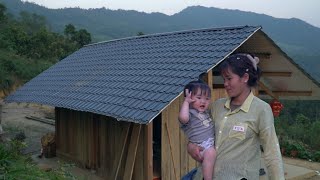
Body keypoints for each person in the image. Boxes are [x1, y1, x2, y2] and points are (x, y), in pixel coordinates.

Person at [187, 53, 285, 179]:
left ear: (245, 77)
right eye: (224, 79)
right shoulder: (217, 106)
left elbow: (272, 153)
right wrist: (191, 146)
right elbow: (199, 133)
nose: (225, 84)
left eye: (229, 78)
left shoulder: (261, 109)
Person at [179, 81, 216, 180]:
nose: (203, 101)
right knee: (211, 153)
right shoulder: (190, 113)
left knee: (212, 154)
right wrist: (186, 102)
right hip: (202, 146)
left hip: (210, 144)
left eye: (207, 99)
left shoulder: (206, 112)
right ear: (189, 98)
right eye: (199, 98)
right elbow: (183, 118)